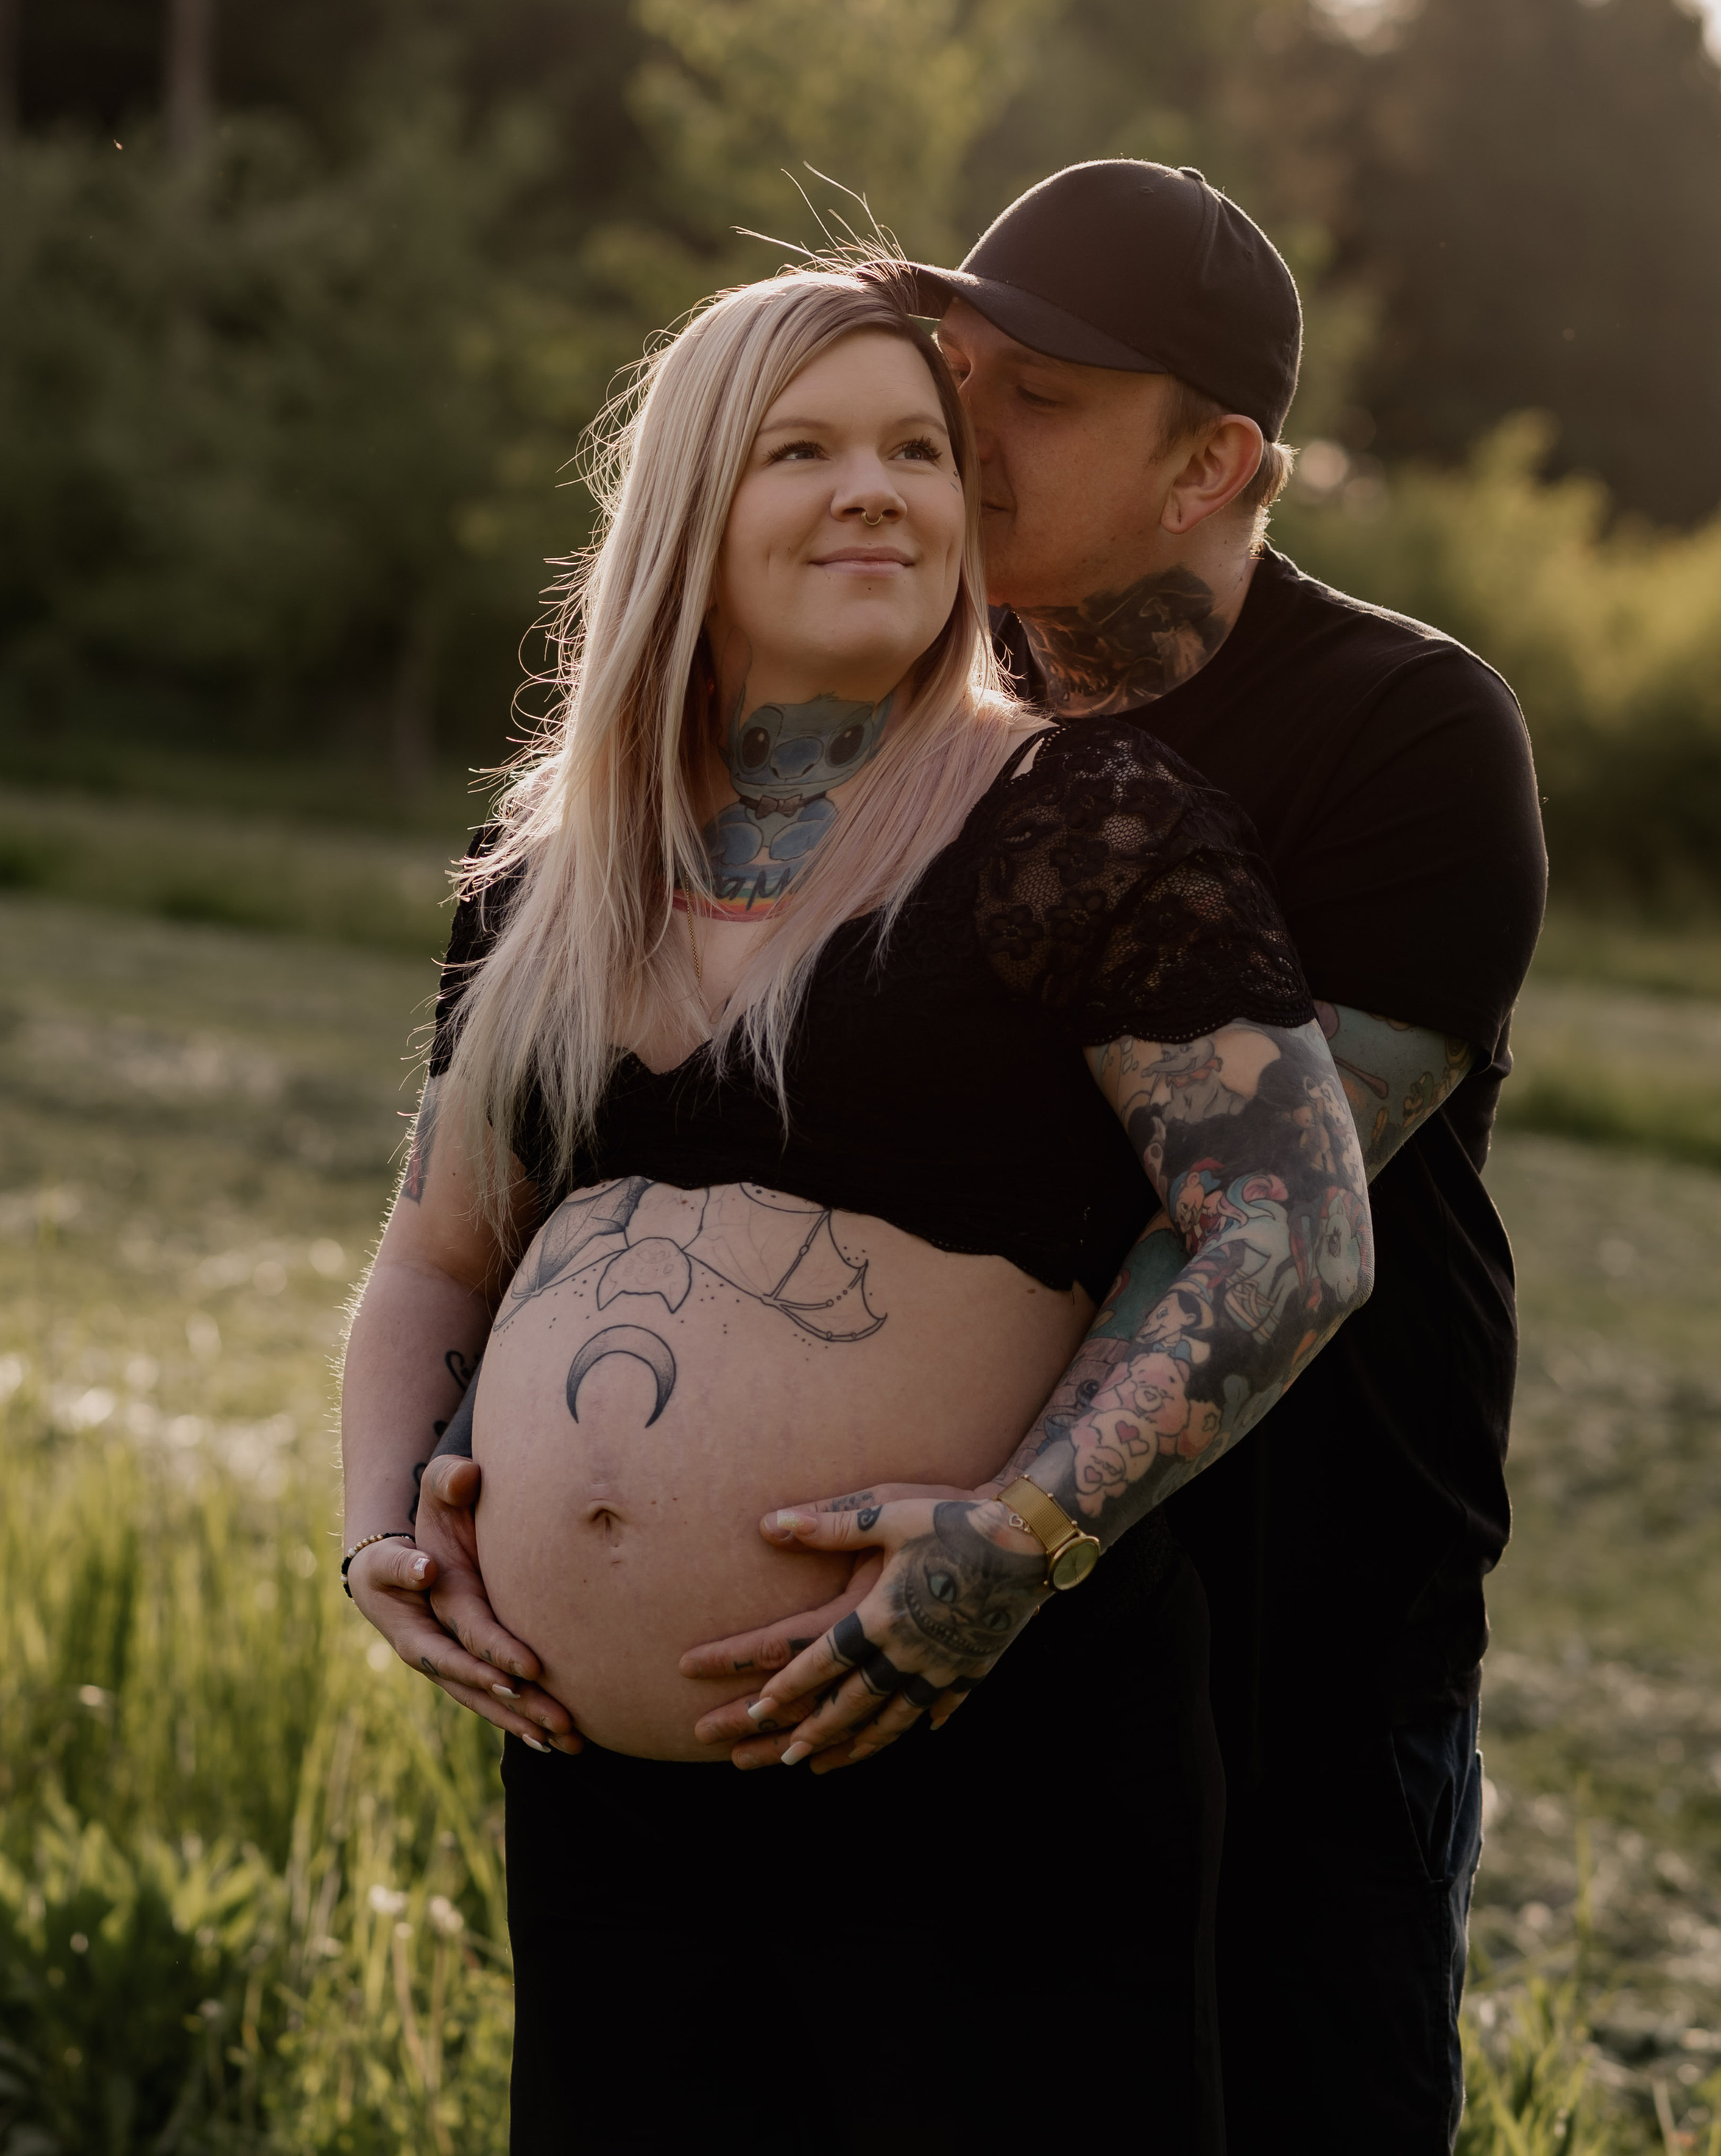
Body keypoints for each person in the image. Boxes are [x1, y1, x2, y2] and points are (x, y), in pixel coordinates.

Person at [342, 263, 1373, 2153]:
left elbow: (1288, 1237)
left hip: (983, 1767)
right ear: (687, 508)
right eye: (801, 449)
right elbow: (434, 1259)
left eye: (918, 448)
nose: (879, 490)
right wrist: (375, 1530)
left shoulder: (1080, 822)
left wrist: (1009, 1546)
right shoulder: (551, 885)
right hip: (608, 1809)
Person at [674, 163, 1549, 2152]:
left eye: (1041, 397)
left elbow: (1240, 1213)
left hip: (1289, 1616)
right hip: (908, 1610)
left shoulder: (1406, 736)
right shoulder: (887, 693)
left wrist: (1008, 1532)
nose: (957, 430)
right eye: (953, 369)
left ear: (1210, 462)